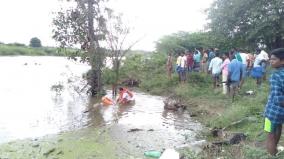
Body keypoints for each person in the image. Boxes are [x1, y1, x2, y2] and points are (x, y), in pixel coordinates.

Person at [263, 48, 284, 156]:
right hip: (282, 113)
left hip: (272, 111)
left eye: (274, 59)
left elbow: (277, 98)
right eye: (270, 59)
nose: (271, 61)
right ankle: (274, 151)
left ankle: (272, 155)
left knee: (269, 134)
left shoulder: (275, 76)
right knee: (279, 128)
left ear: (282, 61)